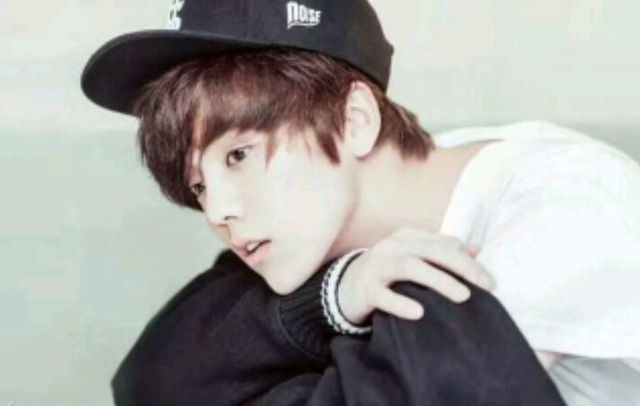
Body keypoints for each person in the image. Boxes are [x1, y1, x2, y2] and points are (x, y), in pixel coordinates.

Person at [80, 0, 640, 404]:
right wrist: (335, 297)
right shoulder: (333, 213)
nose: (218, 211)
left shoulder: (565, 211)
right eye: (198, 184)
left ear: (355, 120)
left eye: (239, 155)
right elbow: (148, 381)